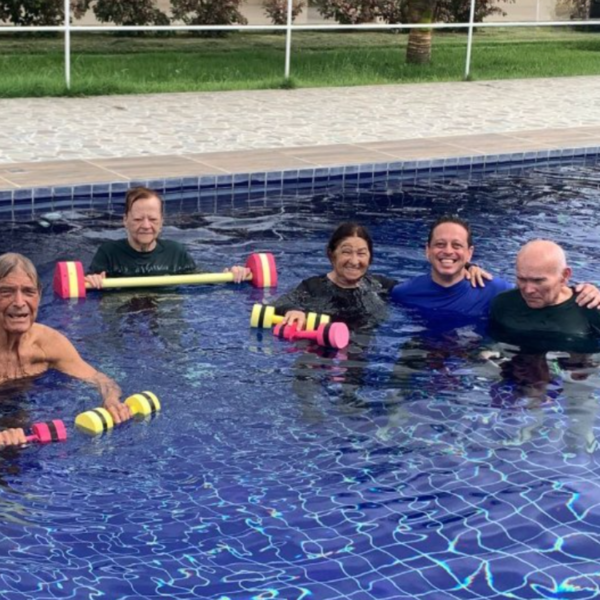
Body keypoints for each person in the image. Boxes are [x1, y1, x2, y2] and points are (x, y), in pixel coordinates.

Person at [0, 253, 131, 446]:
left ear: (39, 296)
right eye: (6, 292)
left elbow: (99, 379)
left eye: (28, 292)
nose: (19, 302)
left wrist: (111, 399)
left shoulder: (47, 342)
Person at [273, 222, 488, 331]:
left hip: (359, 351)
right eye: (346, 252)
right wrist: (293, 311)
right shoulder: (312, 286)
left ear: (370, 257)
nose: (354, 260)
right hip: (317, 344)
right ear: (331, 254)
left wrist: (467, 267)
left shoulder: (378, 285)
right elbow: (281, 303)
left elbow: (422, 289)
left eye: (361, 253)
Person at [391, 216, 600, 320]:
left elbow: (545, 289)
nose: (448, 251)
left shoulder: (495, 290)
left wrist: (586, 291)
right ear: (427, 250)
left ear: (469, 253)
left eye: (457, 245)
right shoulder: (403, 292)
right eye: (439, 244)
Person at [85, 186, 249, 288]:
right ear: (125, 220)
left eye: (153, 219)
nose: (146, 226)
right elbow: (85, 287)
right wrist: (91, 280)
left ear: (162, 222)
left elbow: (203, 279)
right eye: (137, 219)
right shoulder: (108, 253)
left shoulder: (175, 252)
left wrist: (231, 275)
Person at [489, 240, 600, 352]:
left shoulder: (589, 309)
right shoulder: (503, 304)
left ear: (565, 276)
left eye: (538, 281)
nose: (528, 290)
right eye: (522, 279)